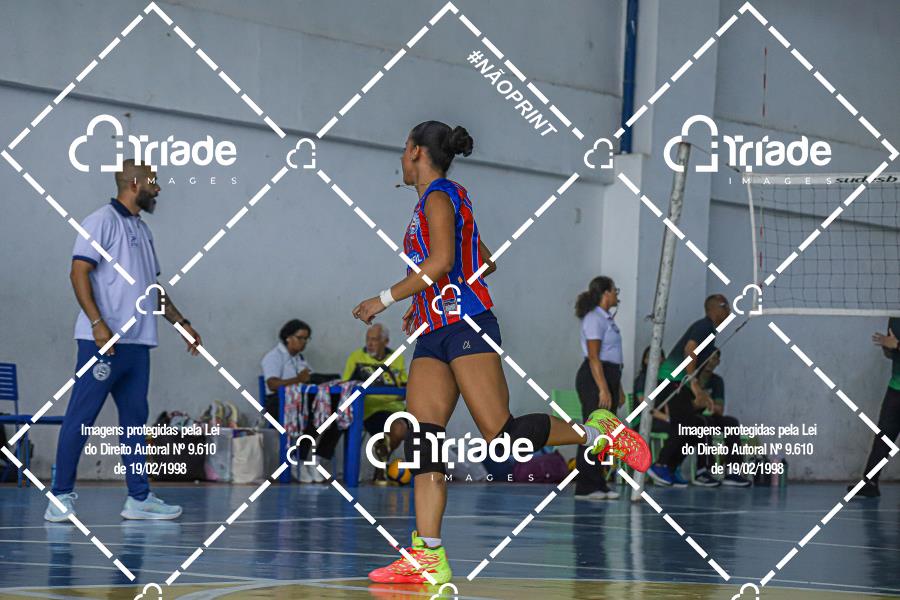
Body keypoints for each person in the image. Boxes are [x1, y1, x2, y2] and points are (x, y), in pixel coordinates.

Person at [351, 121, 650, 584]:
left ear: (415, 151)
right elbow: (483, 260)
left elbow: (442, 262)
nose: (401, 159)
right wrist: (425, 301)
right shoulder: (435, 202)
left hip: (467, 326)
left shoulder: (440, 196)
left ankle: (598, 431)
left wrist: (385, 299)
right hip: (434, 331)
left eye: (403, 150)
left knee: (501, 436)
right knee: (424, 439)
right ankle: (428, 555)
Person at [45, 160, 199, 523]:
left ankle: (139, 498)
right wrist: (98, 324)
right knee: (81, 417)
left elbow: (152, 289)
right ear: (134, 184)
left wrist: (182, 323)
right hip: (102, 342)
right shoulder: (101, 221)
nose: (158, 189)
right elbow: (78, 272)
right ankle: (59, 497)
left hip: (138, 344)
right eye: (153, 183)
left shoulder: (143, 230)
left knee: (134, 423)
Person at [646, 294, 730, 488]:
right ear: (714, 309)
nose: (729, 310)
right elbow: (690, 349)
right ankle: (660, 465)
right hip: (672, 379)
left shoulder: (711, 331)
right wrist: (693, 382)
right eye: (726, 306)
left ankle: (671, 466)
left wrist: (701, 392)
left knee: (695, 425)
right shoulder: (705, 326)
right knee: (683, 424)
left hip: (680, 382)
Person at [262, 319, 341, 483]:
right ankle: (299, 459)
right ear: (288, 337)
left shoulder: (300, 359)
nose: (304, 342)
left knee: (335, 416)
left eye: (306, 339)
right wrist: (298, 379)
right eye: (300, 338)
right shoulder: (274, 357)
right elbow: (272, 384)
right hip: (278, 404)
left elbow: (309, 379)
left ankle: (318, 459)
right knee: (311, 417)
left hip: (300, 403)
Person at [573, 276, 626, 501]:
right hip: (595, 377)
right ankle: (585, 486)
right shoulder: (594, 318)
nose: (617, 295)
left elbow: (613, 356)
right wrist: (603, 388)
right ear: (605, 293)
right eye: (615, 291)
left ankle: (599, 482)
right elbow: (594, 356)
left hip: (609, 375)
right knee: (594, 430)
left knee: (605, 432)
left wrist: (617, 388)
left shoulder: (607, 319)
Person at [342, 324, 409, 484]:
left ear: (385, 341)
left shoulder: (397, 357)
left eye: (375, 340)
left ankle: (382, 458)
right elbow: (346, 387)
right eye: (368, 339)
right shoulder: (356, 357)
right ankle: (381, 463)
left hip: (395, 408)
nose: (370, 343)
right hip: (367, 410)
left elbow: (404, 386)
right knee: (396, 428)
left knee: (409, 426)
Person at [851, 320, 900, 498]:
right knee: (883, 438)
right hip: (895, 387)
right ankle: (870, 483)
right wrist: (888, 346)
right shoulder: (896, 319)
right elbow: (890, 354)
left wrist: (897, 345)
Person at [691, 351, 751, 488]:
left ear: (718, 362)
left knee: (731, 422)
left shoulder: (717, 381)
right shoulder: (693, 379)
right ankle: (703, 471)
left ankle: (733, 472)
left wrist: (704, 402)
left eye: (714, 359)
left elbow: (719, 409)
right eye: (708, 358)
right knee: (705, 422)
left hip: (711, 416)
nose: (710, 362)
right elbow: (690, 405)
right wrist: (707, 403)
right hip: (693, 418)